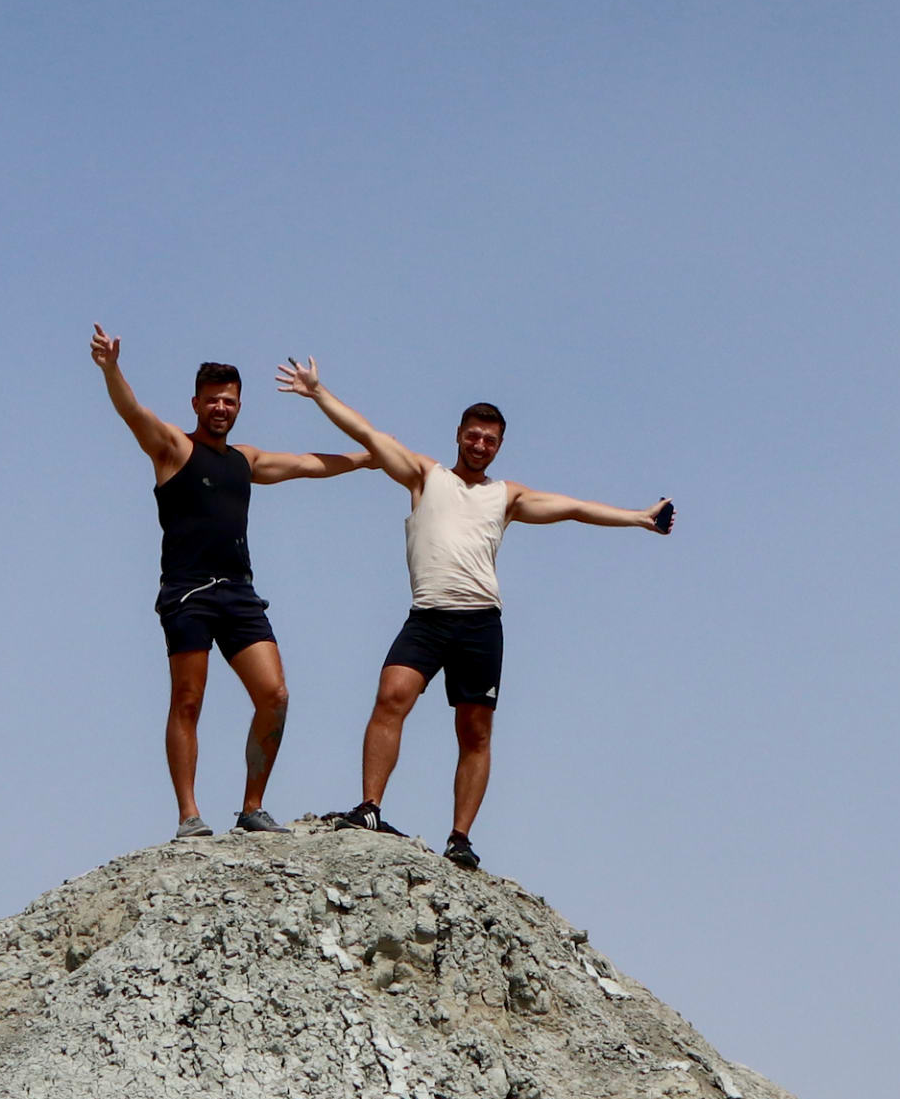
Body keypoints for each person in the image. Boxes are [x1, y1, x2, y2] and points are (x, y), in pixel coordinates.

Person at [275, 361, 672, 870]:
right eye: (473, 435)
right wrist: (317, 392)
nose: (480, 445)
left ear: (499, 446)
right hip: (428, 618)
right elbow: (369, 435)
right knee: (390, 698)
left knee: (475, 731)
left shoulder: (506, 496)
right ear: (459, 435)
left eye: (490, 439)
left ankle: (459, 838)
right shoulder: (425, 475)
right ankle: (370, 808)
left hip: (480, 623)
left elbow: (575, 508)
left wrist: (640, 518)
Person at [93, 327, 371, 837]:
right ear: (196, 403)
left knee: (275, 695)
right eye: (213, 400)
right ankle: (189, 816)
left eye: (230, 401)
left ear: (240, 405)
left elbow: (310, 466)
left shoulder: (246, 459)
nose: (222, 408)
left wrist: (372, 456)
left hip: (239, 592)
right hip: (189, 592)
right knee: (188, 701)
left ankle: (252, 807)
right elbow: (133, 413)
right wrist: (112, 369)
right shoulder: (173, 448)